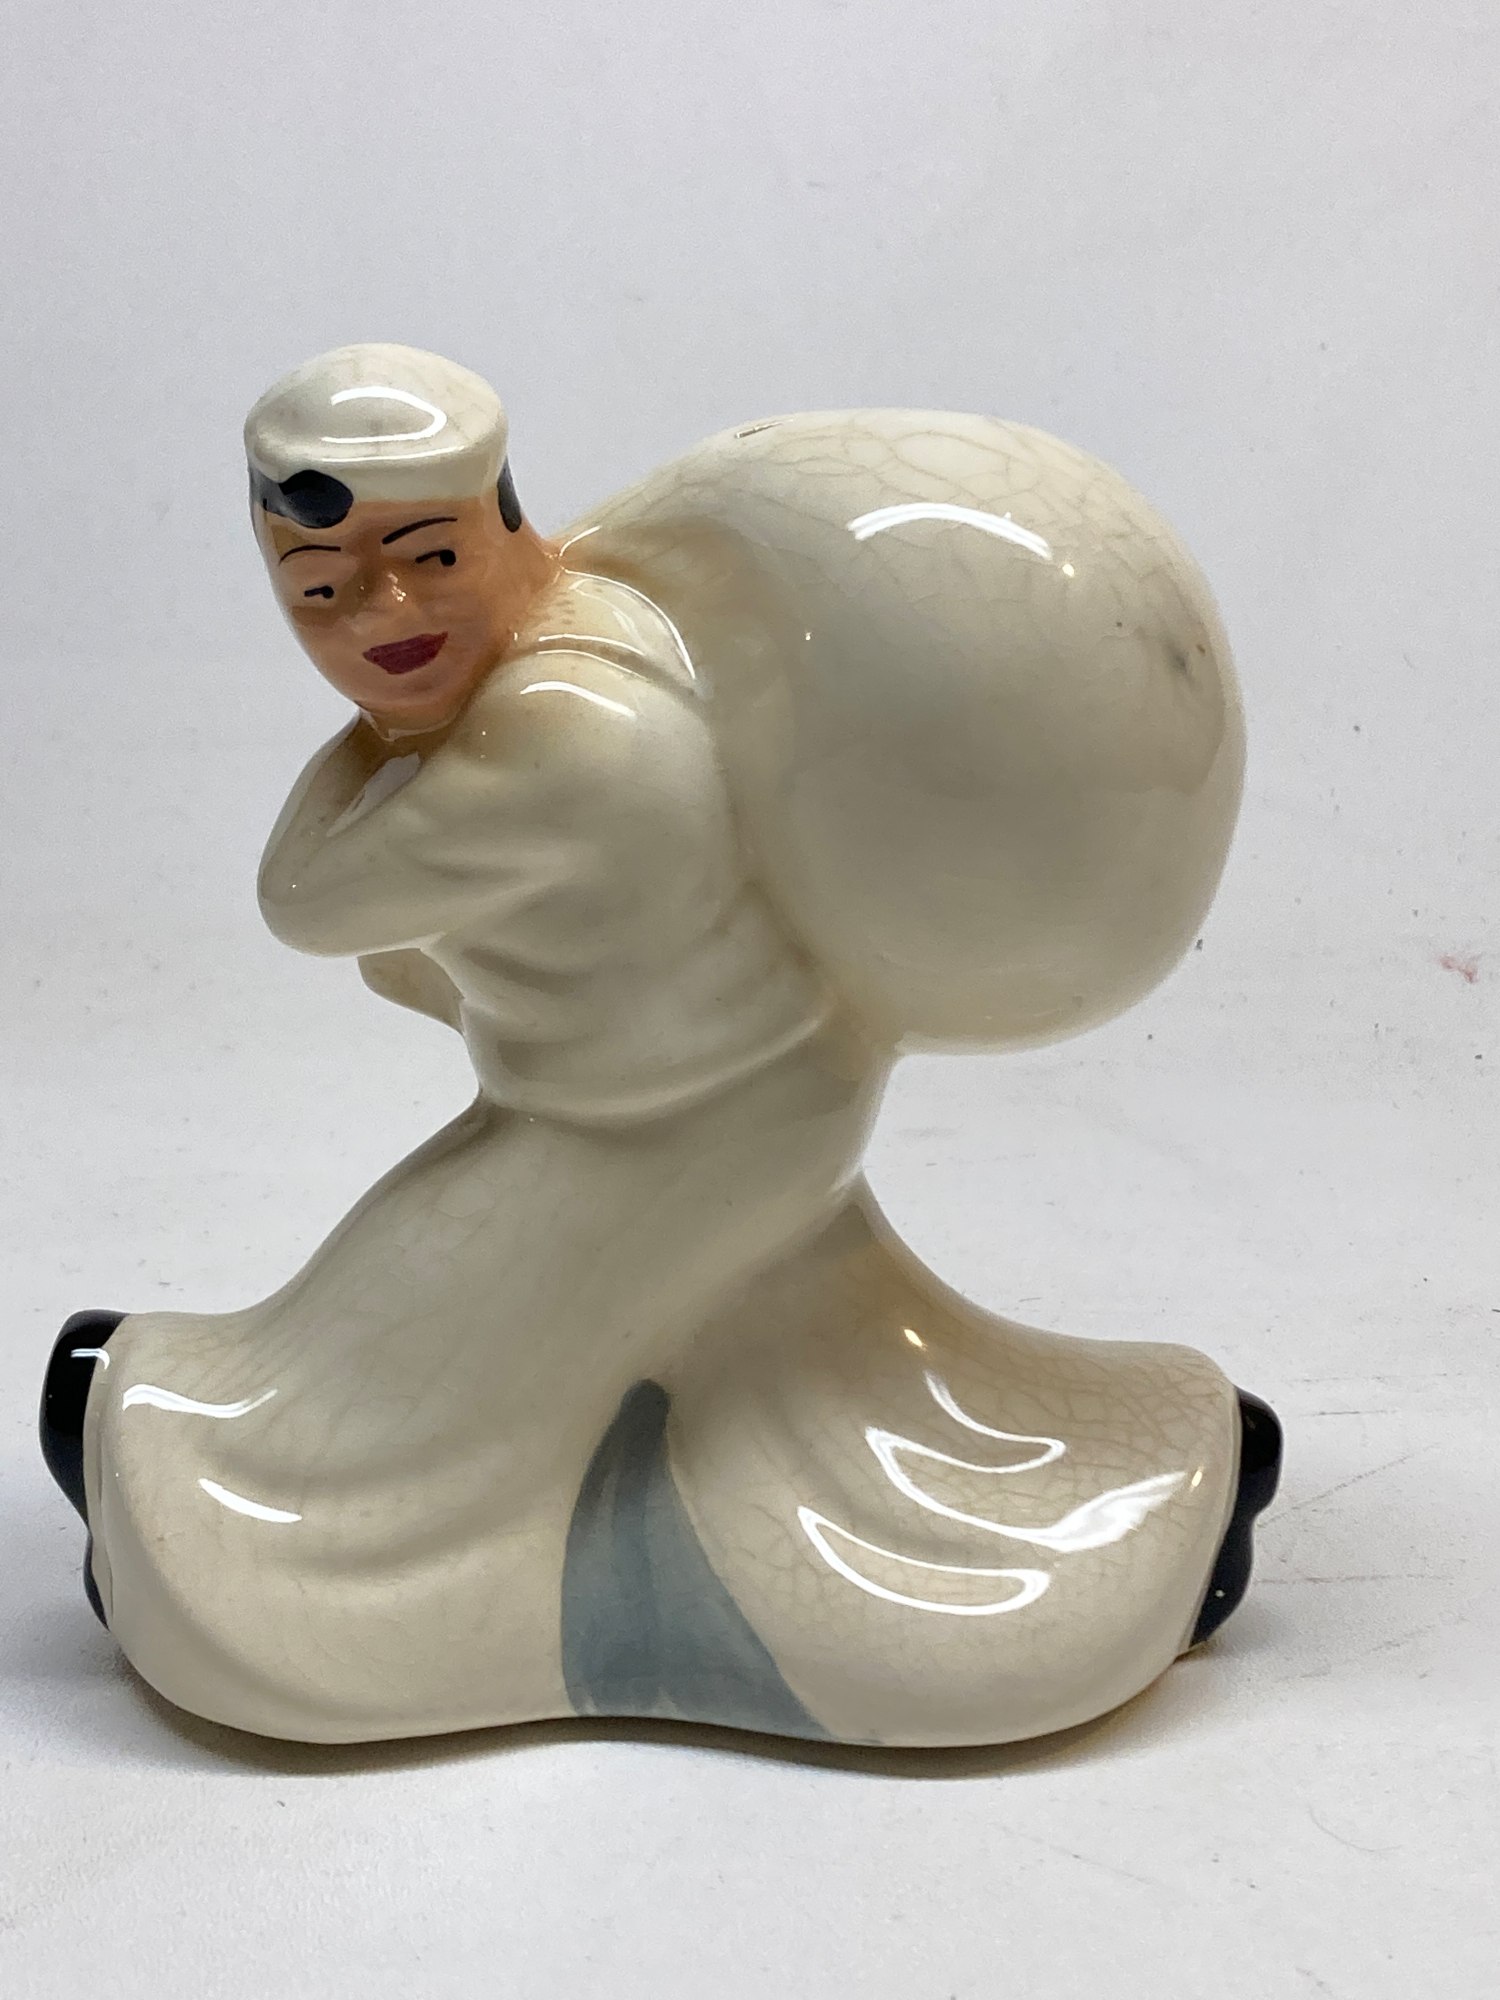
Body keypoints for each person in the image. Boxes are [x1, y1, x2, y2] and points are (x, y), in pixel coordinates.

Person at [42, 344, 1279, 1747]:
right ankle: (1135, 1473)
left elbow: (306, 896)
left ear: (507, 519)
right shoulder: (585, 622)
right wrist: (400, 728)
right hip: (685, 1102)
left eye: (431, 558)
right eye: (318, 589)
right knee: (791, 1365)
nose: (384, 618)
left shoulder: (561, 730)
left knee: (410, 1355)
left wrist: (381, 737)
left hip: (685, 1120)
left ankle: (237, 1542)